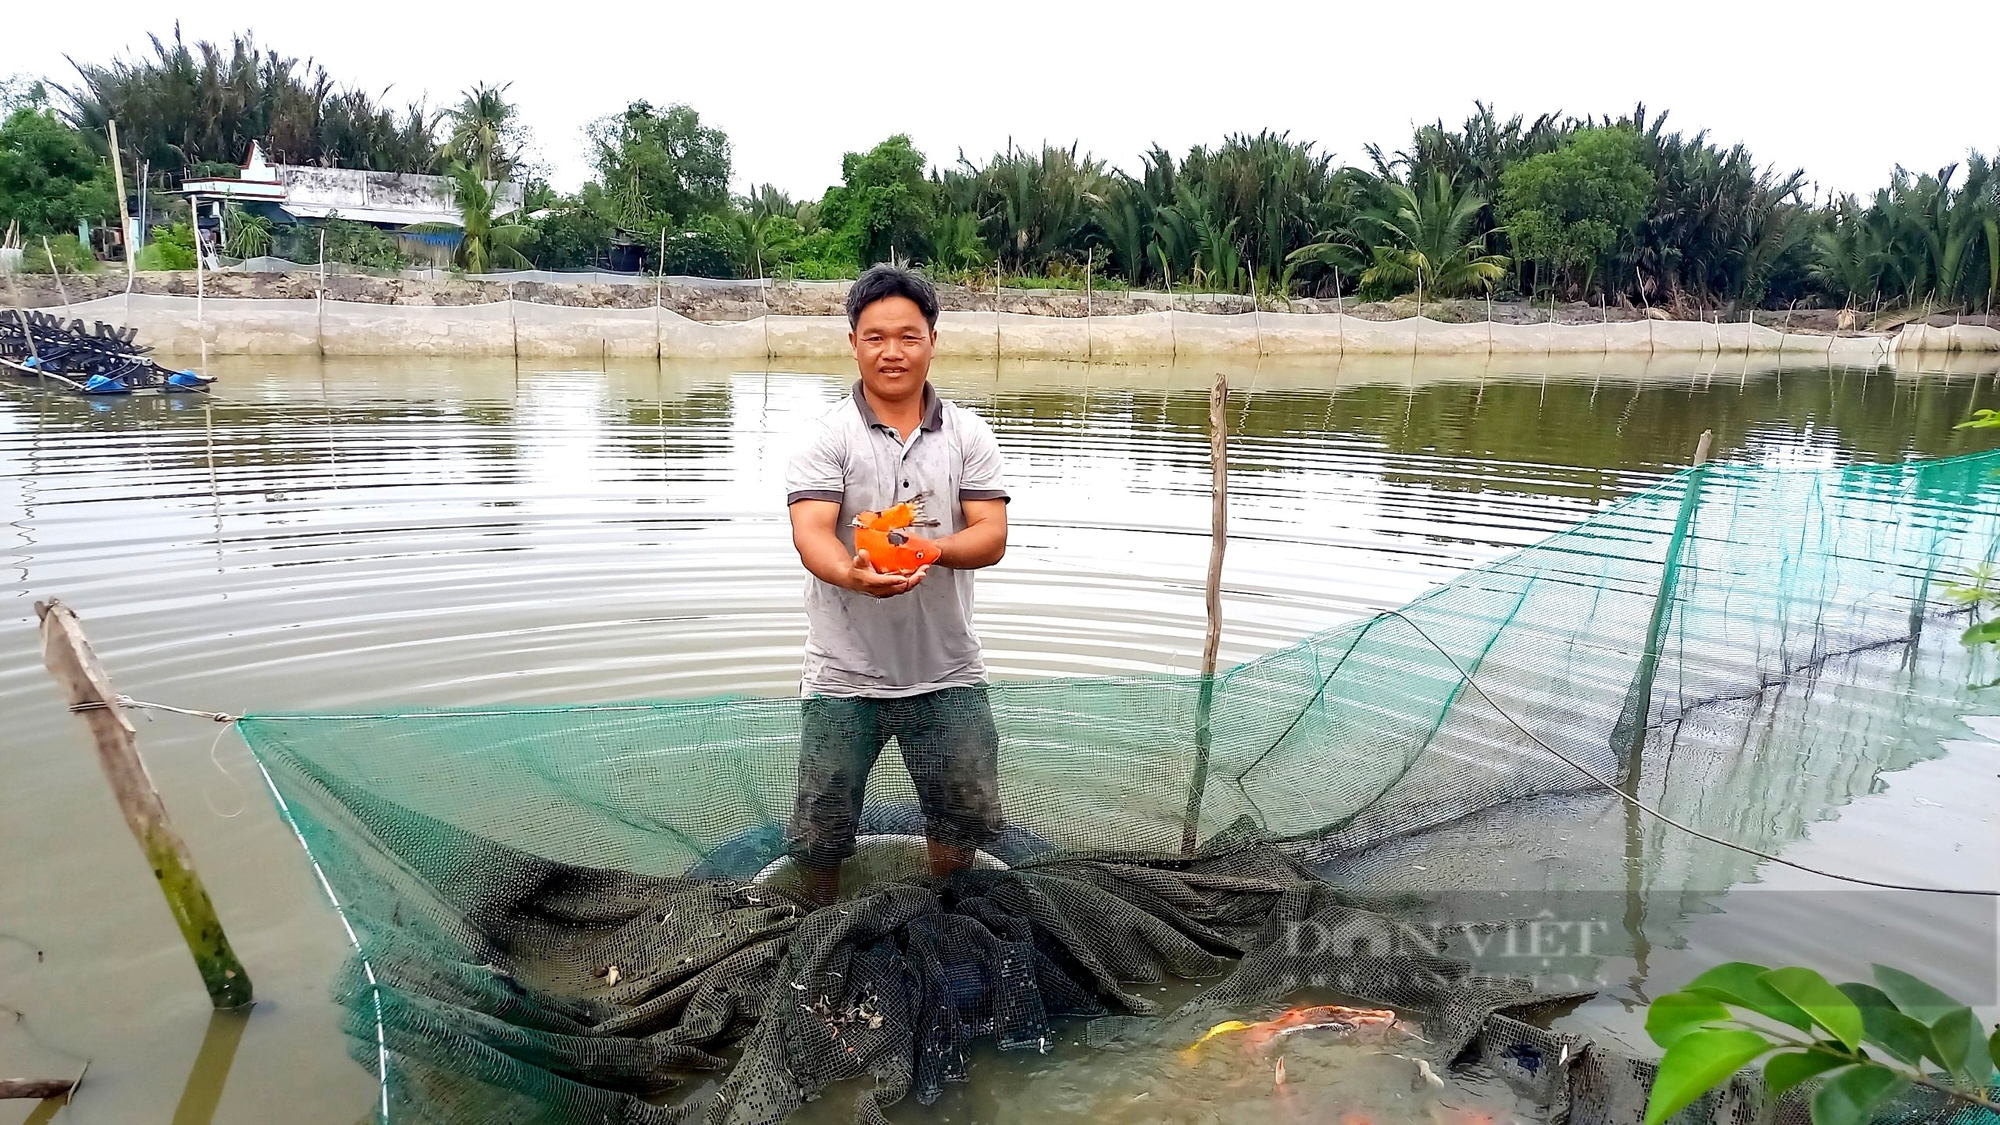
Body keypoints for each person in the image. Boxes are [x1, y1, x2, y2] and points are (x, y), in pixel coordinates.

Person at [782, 263, 1010, 908]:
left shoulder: (968, 433)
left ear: (932, 340)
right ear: (853, 341)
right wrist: (851, 571)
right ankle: (819, 923)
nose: (892, 352)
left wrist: (933, 548)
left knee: (961, 822)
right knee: (822, 835)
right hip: (843, 673)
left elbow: (991, 535)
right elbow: (813, 533)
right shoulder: (826, 436)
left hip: (948, 670)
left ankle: (957, 915)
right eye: (876, 336)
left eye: (908, 336)